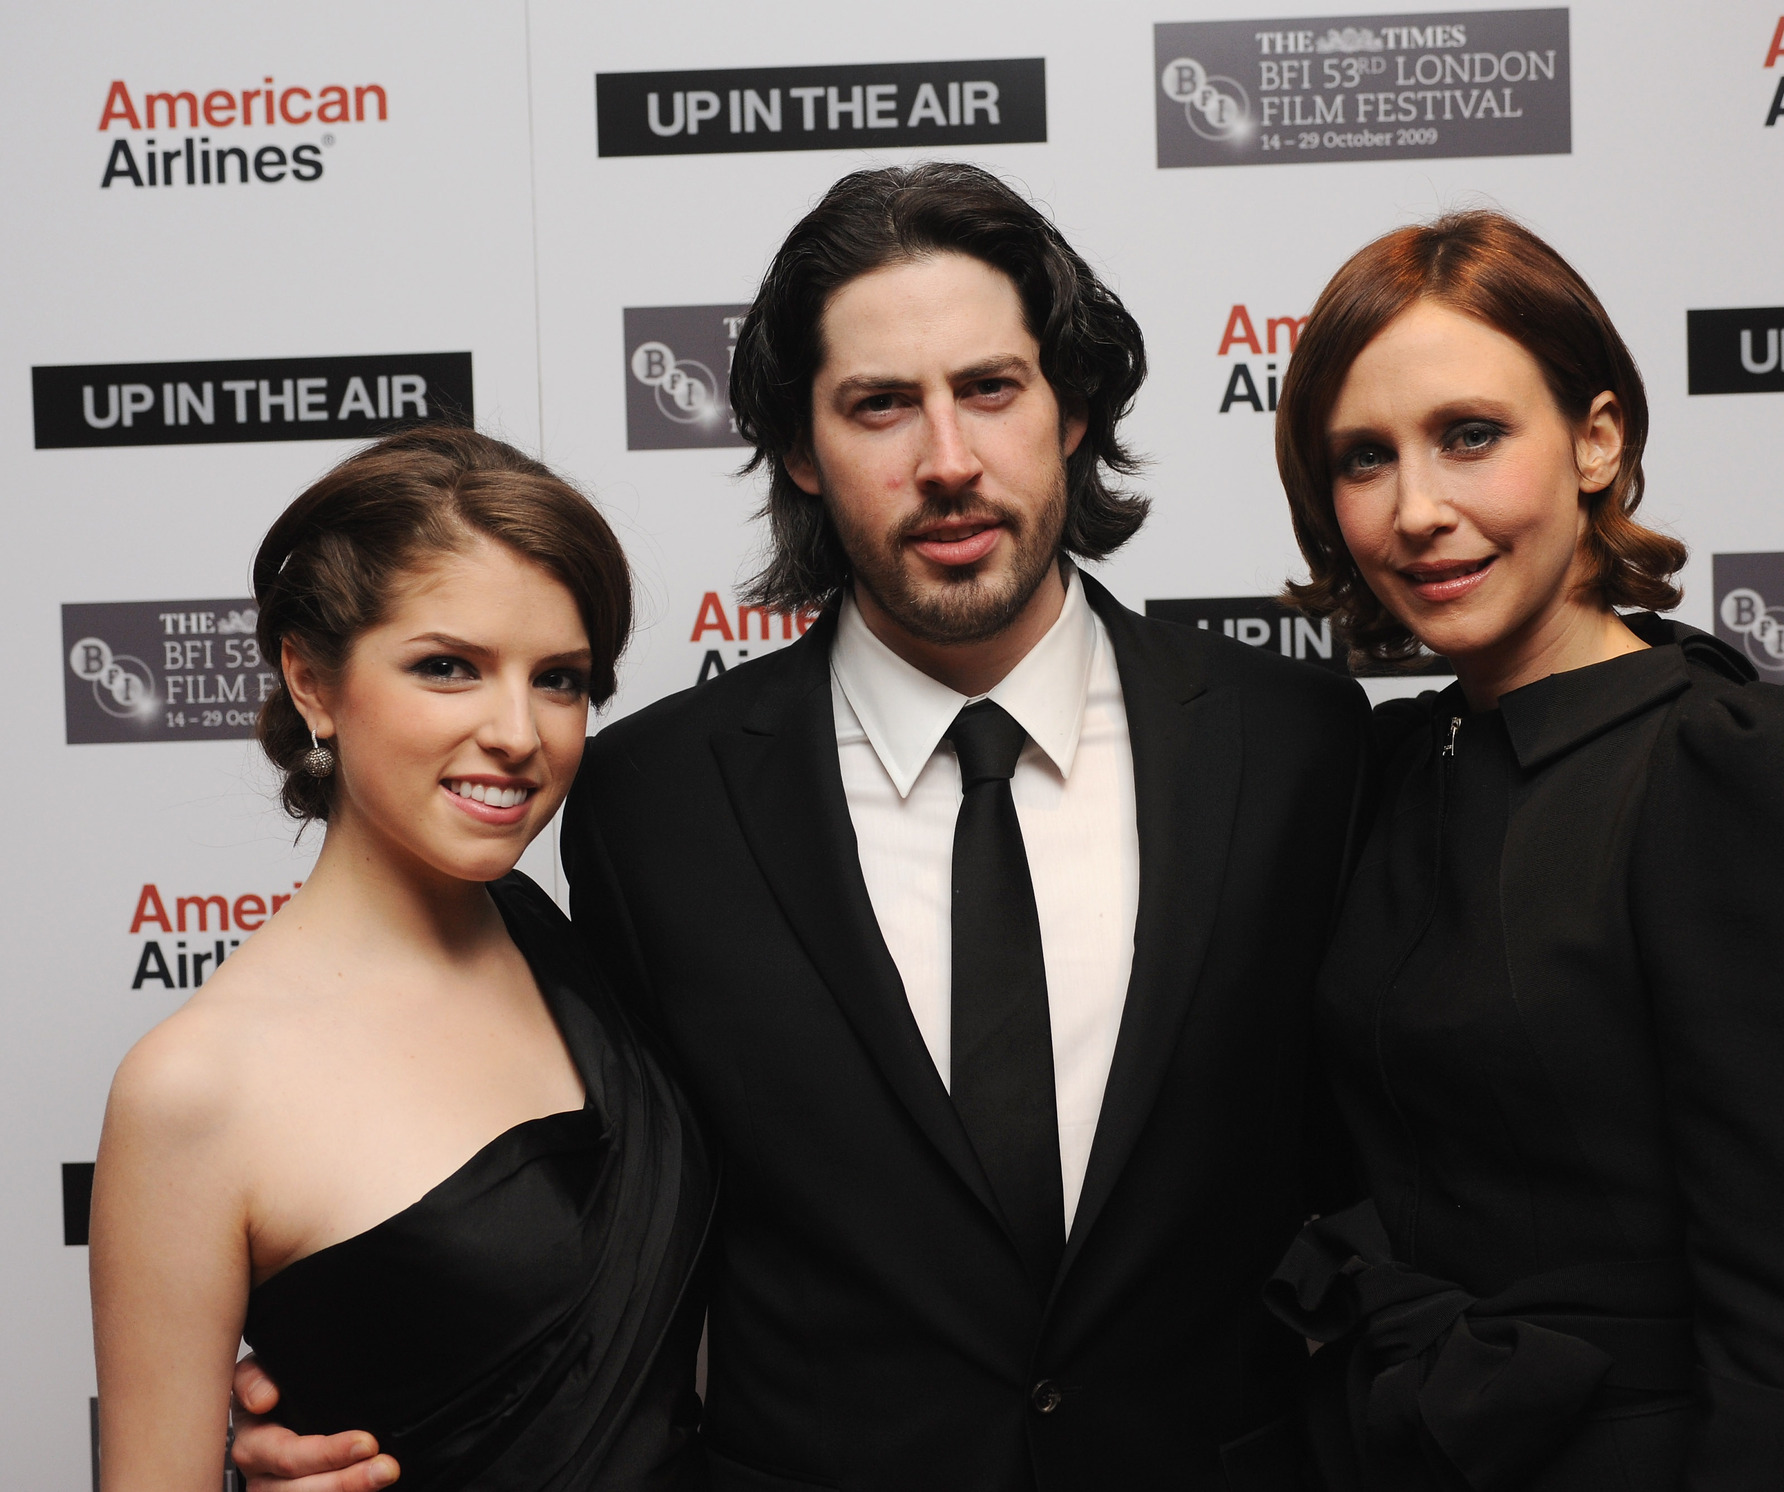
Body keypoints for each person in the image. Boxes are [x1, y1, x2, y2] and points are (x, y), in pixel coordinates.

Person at [232, 162, 1373, 1492]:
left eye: (991, 389)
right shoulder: (649, 803)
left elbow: (1410, 1146)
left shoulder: (1297, 744)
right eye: (879, 406)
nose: (947, 461)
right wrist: (350, 1396)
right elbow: (583, 1217)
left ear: (1069, 410)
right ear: (798, 448)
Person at [1260, 210, 1784, 1490]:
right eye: (1361, 457)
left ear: (1594, 438)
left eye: (1469, 435)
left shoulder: (1730, 760)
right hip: (1387, 1446)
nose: (1416, 510)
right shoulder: (1383, 767)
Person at [91, 427, 714, 1492]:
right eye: (447, 667)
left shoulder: (559, 941)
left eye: (559, 679)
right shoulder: (194, 1089)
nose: (518, 730)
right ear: (312, 681)